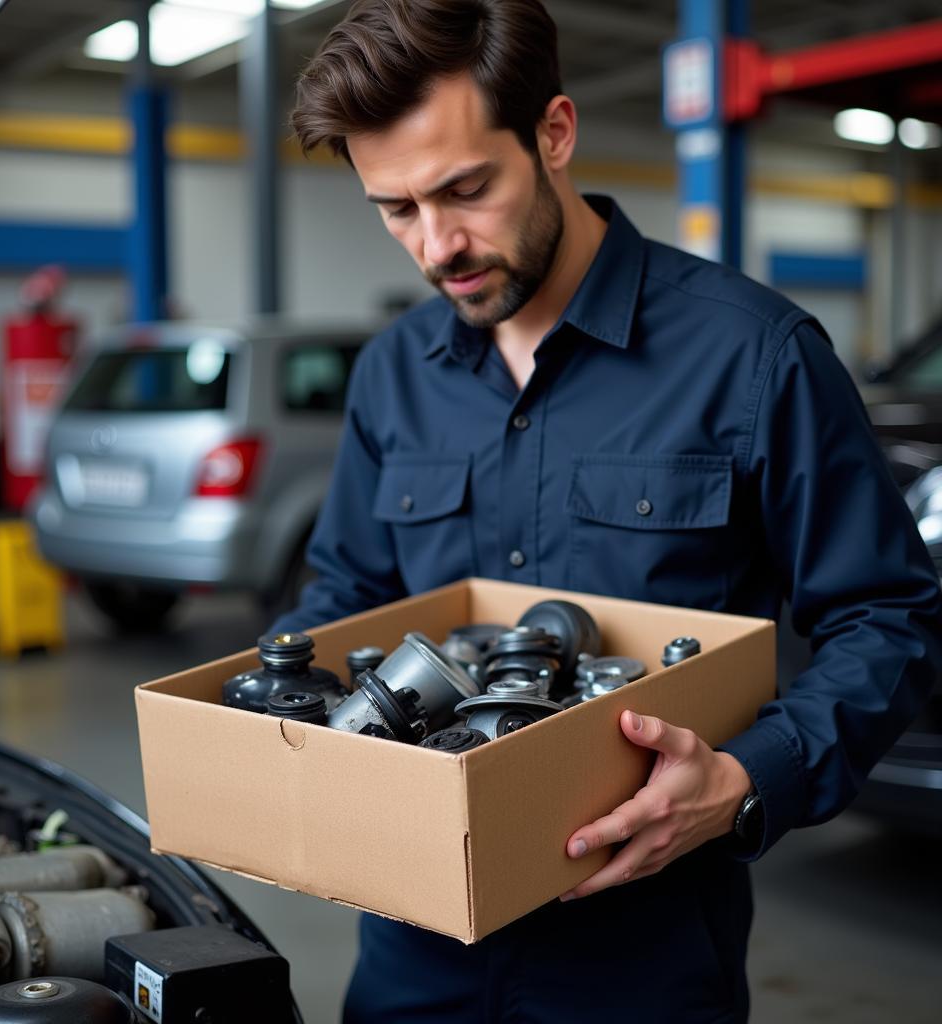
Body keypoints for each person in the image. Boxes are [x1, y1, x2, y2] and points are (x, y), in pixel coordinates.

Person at [274, 1, 942, 1020]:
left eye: (465, 189)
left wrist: (743, 776)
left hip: (642, 958)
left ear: (552, 133)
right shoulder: (392, 375)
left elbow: (890, 615)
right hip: (410, 942)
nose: (436, 245)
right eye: (395, 208)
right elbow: (350, 590)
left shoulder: (752, 357)